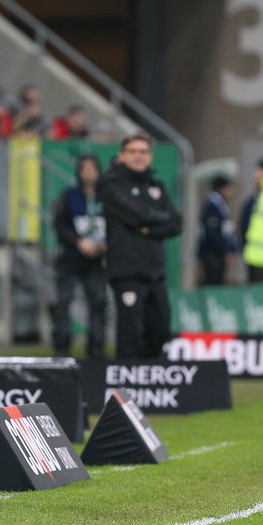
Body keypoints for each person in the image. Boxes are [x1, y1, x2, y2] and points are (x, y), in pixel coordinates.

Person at [97, 133, 182, 359]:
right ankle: (126, 387)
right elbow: (136, 215)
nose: (138, 156)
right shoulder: (111, 184)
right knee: (130, 332)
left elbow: (176, 224)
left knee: (161, 328)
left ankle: (146, 377)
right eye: (133, 151)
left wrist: (147, 226)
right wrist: (152, 220)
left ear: (150, 157)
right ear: (122, 155)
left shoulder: (157, 186)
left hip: (155, 271)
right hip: (127, 271)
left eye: (143, 152)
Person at [52, 154, 107, 358]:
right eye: (85, 169)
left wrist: (104, 245)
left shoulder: (106, 197)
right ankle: (62, 346)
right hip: (70, 258)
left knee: (98, 302)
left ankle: (96, 347)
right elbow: (59, 224)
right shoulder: (69, 195)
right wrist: (78, 242)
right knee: (63, 302)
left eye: (93, 169)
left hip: (96, 261)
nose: (89, 174)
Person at [197, 175, 238, 286]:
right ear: (222, 188)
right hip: (213, 254)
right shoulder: (212, 206)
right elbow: (212, 233)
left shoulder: (220, 205)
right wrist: (224, 250)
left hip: (217, 253)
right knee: (212, 281)